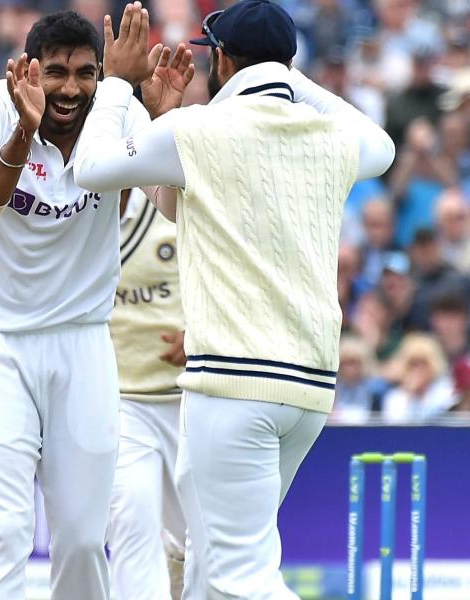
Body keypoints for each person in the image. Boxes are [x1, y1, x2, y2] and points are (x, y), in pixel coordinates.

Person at [74, 1, 395, 597]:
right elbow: (382, 146)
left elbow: (90, 168)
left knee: (236, 574)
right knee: (205, 562)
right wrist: (291, 76)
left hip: (232, 384)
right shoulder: (327, 133)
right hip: (307, 389)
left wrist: (118, 85)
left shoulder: (198, 129)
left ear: (220, 58)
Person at [0, 7, 192, 600]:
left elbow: (175, 209)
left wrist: (162, 126)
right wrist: (21, 135)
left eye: (86, 73)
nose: (71, 88)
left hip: (82, 341)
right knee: (2, 532)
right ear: (28, 69)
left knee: (82, 538)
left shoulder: (118, 112)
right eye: (56, 72)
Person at [106, 187, 188, 600]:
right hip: (120, 400)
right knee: (130, 523)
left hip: (193, 395)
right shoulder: (74, 203)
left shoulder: (180, 195)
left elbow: (235, 273)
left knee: (203, 543)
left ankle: (179, 557)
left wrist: (204, 336)